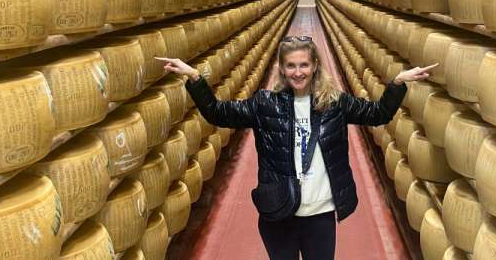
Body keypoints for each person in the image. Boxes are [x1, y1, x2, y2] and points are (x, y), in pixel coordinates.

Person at [157, 37, 437, 260]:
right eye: (291, 66)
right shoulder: (265, 103)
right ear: (281, 68)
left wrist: (398, 83)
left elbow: (378, 114)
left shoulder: (335, 103)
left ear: (315, 65)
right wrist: (194, 77)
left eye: (304, 65)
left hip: (320, 214)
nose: (298, 72)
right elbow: (219, 113)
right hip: (280, 211)